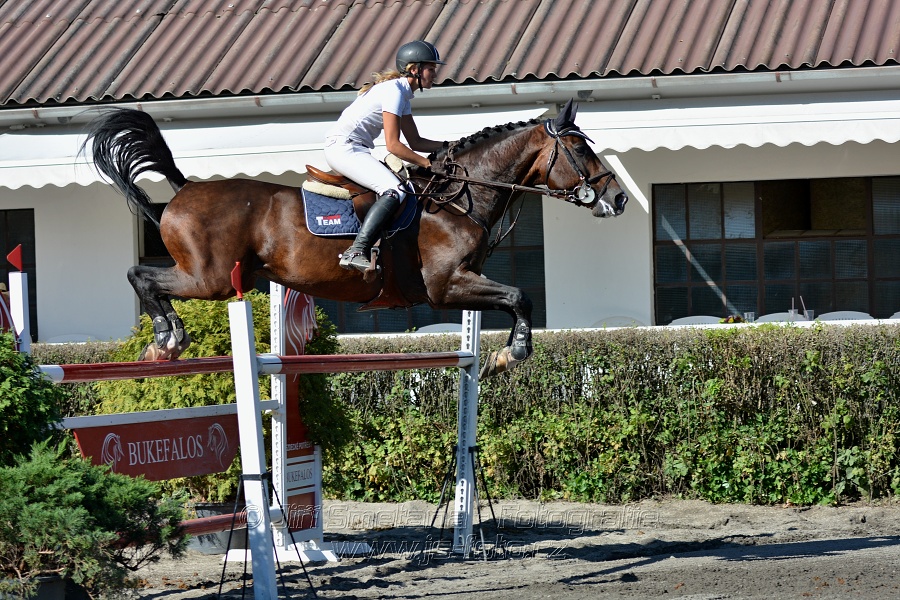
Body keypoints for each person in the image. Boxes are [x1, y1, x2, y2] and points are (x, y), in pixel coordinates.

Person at [324, 40, 447, 273]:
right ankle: (356, 250)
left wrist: (451, 146)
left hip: (354, 148)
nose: (435, 74)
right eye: (431, 69)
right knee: (395, 190)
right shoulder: (394, 91)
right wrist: (427, 163)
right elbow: (393, 146)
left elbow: (416, 142)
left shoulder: (402, 93)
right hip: (345, 148)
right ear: (415, 70)